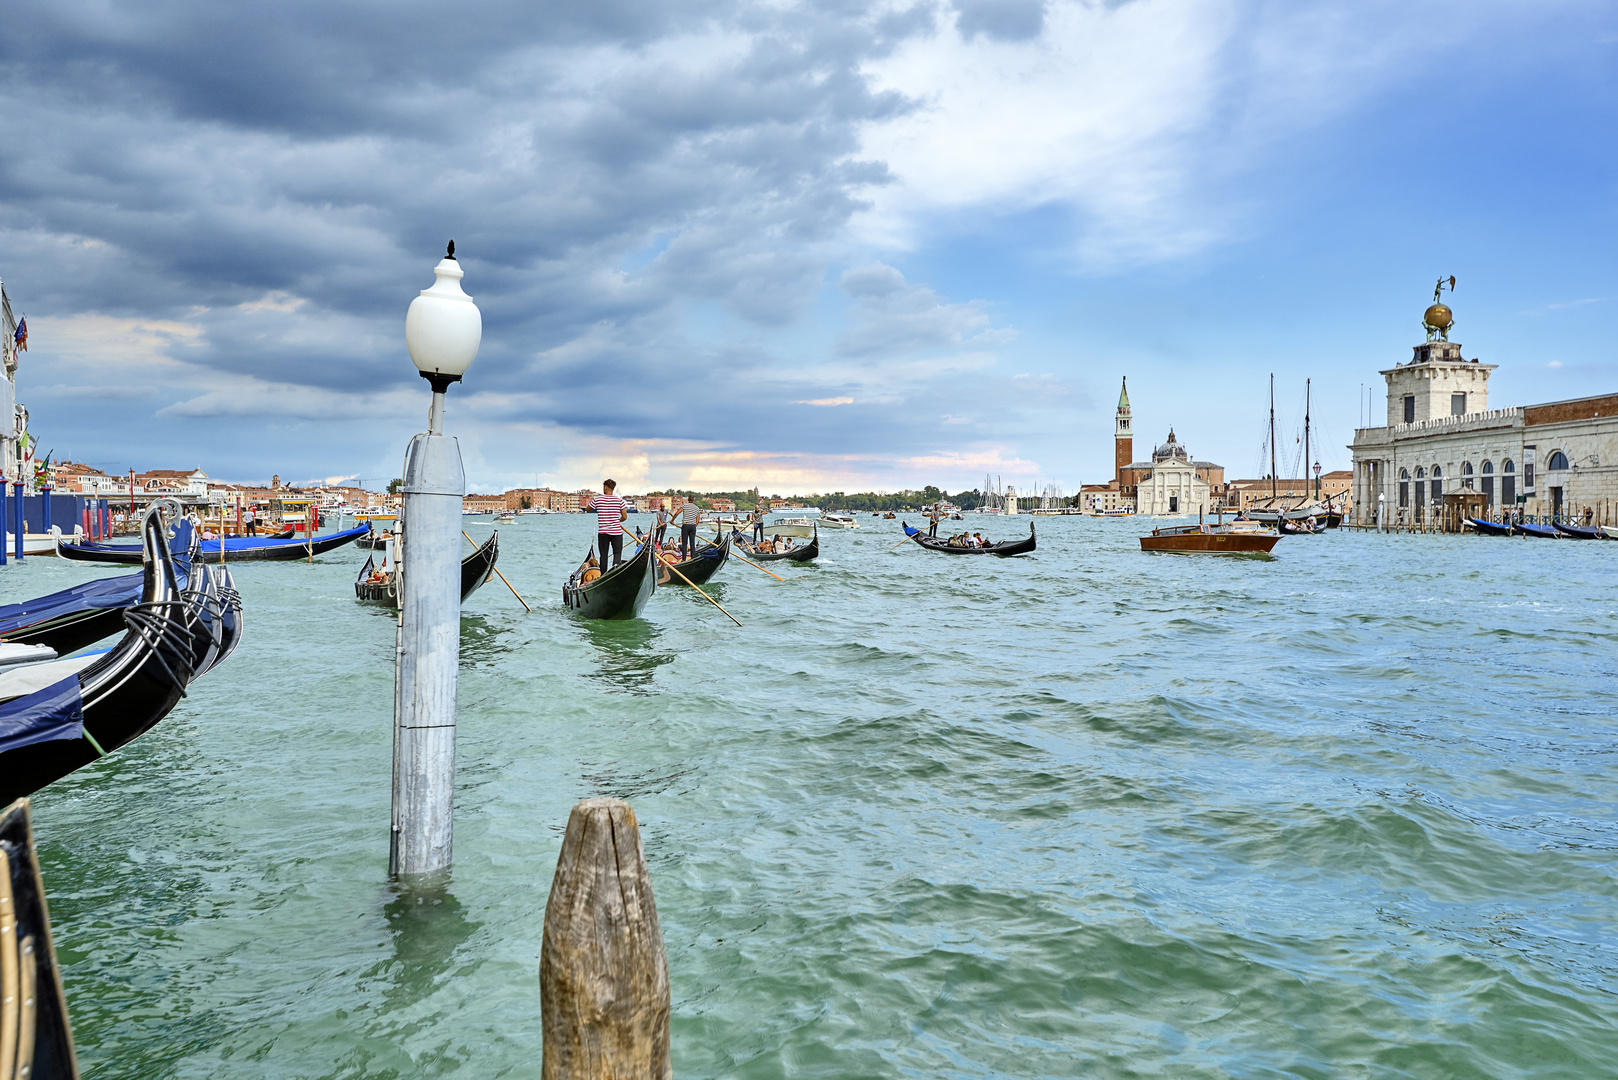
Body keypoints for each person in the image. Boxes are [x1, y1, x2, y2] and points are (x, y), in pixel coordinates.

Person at [584, 479, 628, 570]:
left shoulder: (598, 500)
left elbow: (587, 509)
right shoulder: (619, 501)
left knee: (603, 556)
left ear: (605, 487)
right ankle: (615, 572)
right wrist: (617, 520)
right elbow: (624, 517)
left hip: (603, 532)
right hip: (616, 532)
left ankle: (603, 575)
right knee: (617, 554)